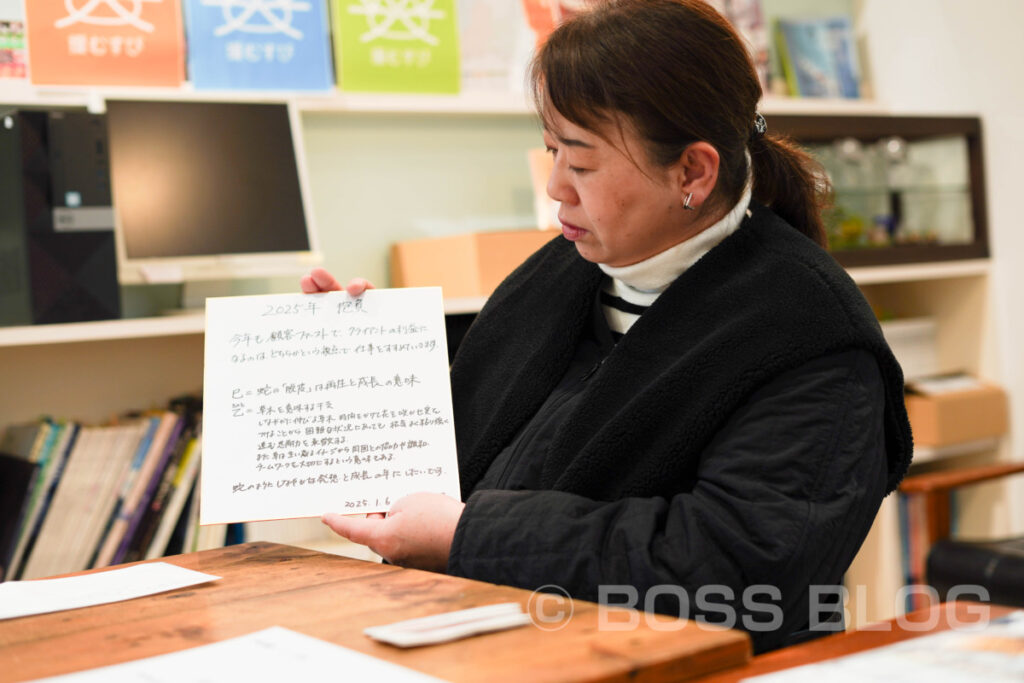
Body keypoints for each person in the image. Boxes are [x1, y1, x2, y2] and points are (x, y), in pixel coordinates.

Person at [302, 0, 912, 652]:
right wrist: (354, 363)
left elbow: (734, 568)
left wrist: (465, 532)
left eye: (583, 162)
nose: (557, 187)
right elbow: (474, 440)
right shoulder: (566, 269)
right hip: (492, 639)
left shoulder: (810, 335)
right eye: (551, 151)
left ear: (693, 171)